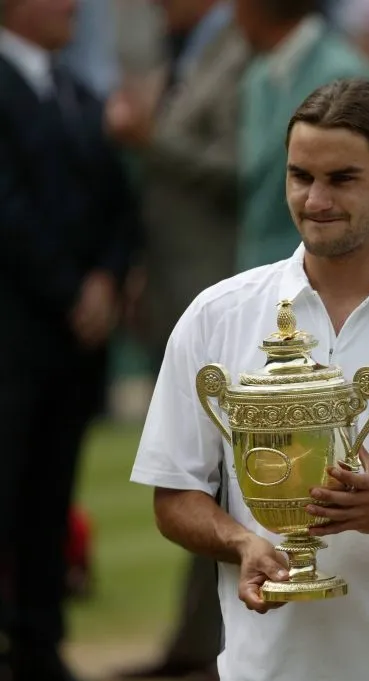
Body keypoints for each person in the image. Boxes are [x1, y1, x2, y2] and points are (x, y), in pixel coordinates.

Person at [130, 77, 369, 681]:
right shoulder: (217, 316)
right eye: (301, 177)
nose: (316, 199)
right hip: (260, 668)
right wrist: (241, 541)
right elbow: (175, 496)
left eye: (342, 178)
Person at [105, 2, 251, 679]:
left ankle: (204, 647)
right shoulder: (181, 49)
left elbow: (244, 166)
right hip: (173, 286)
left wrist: (152, 137)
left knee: (227, 476)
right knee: (199, 474)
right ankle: (196, 644)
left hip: (222, 285)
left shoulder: (239, 49)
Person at [0, 1, 142, 680]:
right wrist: (72, 291)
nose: (72, 5)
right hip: (13, 334)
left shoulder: (79, 93)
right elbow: (7, 210)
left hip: (70, 342)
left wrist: (106, 281)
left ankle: (38, 642)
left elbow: (119, 203)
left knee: (50, 493)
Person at [234, 0, 369, 272]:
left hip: (334, 276)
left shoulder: (343, 75)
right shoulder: (258, 77)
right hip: (268, 276)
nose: (233, 17)